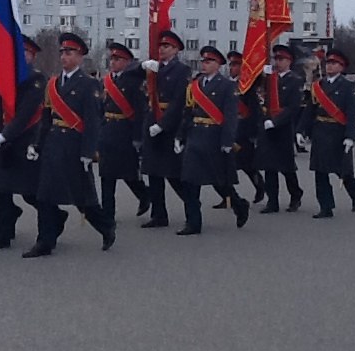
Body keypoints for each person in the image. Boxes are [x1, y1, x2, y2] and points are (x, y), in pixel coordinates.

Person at [22, 32, 115, 258]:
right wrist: (36, 144)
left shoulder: (89, 84)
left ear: (81, 56)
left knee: (82, 199)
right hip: (53, 146)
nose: (64, 56)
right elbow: (46, 118)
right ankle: (45, 241)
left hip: (74, 148)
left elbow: (93, 122)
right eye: (62, 52)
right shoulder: (53, 84)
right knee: (44, 195)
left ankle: (106, 227)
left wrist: (88, 152)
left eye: (70, 52)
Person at [173, 46, 250, 235]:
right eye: (203, 61)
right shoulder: (195, 85)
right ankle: (193, 223)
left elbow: (231, 117)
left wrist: (227, 141)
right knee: (189, 181)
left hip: (214, 139)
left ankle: (239, 205)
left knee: (220, 181)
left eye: (209, 62)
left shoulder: (227, 86)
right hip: (195, 137)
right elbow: (188, 113)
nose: (204, 65)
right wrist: (180, 136)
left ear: (218, 65)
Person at [0, 35, 46, 250]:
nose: (20, 57)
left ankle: (54, 219)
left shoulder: (36, 79)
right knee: (0, 189)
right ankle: (3, 235)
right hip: (4, 139)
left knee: (30, 192)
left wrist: (6, 134)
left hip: (26, 138)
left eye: (24, 54)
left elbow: (26, 113)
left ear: (32, 56)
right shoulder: (5, 77)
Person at [298, 49, 355, 219]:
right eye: (328, 63)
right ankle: (325, 207)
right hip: (320, 132)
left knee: (342, 170)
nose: (330, 66)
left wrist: (350, 136)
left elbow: (352, 112)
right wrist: (301, 130)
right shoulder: (318, 86)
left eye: (334, 63)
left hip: (338, 132)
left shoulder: (348, 86)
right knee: (320, 172)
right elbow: (309, 111)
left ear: (341, 67)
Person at [139, 30, 192, 229]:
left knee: (173, 174)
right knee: (153, 173)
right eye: (160, 46)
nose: (162, 49)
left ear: (176, 50)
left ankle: (192, 206)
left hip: (169, 126)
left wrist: (162, 125)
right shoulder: (154, 68)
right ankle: (159, 214)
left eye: (166, 46)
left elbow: (179, 102)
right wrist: (143, 66)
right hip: (152, 121)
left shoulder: (182, 70)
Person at [98, 42, 150, 223]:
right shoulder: (105, 81)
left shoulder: (133, 81)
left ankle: (144, 195)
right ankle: (108, 214)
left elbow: (140, 111)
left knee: (129, 173)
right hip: (107, 132)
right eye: (112, 58)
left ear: (127, 62)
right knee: (106, 175)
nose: (113, 62)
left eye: (118, 59)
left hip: (124, 133)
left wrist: (137, 138)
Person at [255, 45, 304, 213]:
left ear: (289, 61)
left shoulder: (295, 80)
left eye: (281, 59)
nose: (278, 62)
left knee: (286, 167)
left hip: (283, 128)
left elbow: (293, 107)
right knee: (269, 166)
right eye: (276, 58)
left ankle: (295, 194)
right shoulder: (269, 79)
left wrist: (276, 122)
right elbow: (261, 98)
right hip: (267, 126)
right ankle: (272, 201)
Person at [212, 51, 265, 207]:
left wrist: (253, 132)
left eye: (236, 65)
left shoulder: (247, 87)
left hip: (243, 131)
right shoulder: (226, 84)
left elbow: (254, 110)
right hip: (227, 130)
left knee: (247, 165)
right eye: (231, 65)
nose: (232, 68)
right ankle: (227, 197)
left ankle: (259, 185)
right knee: (224, 167)